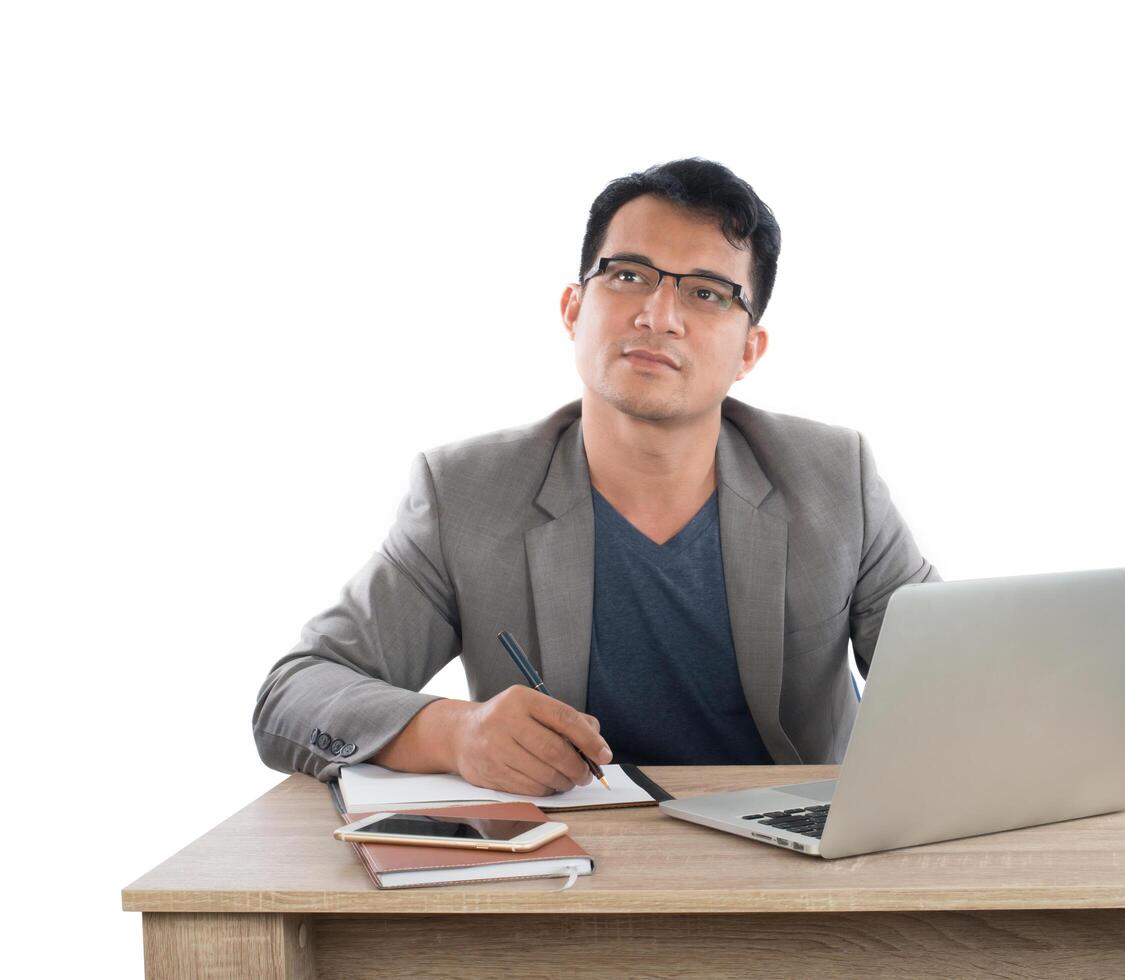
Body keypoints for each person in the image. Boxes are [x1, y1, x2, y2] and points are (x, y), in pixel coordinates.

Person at [252, 158, 939, 796]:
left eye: (706, 292)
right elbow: (293, 693)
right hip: (566, 873)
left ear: (748, 352)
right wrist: (454, 733)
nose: (657, 315)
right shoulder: (465, 495)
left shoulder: (832, 480)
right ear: (573, 309)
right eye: (629, 275)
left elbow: (960, 684)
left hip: (797, 866)